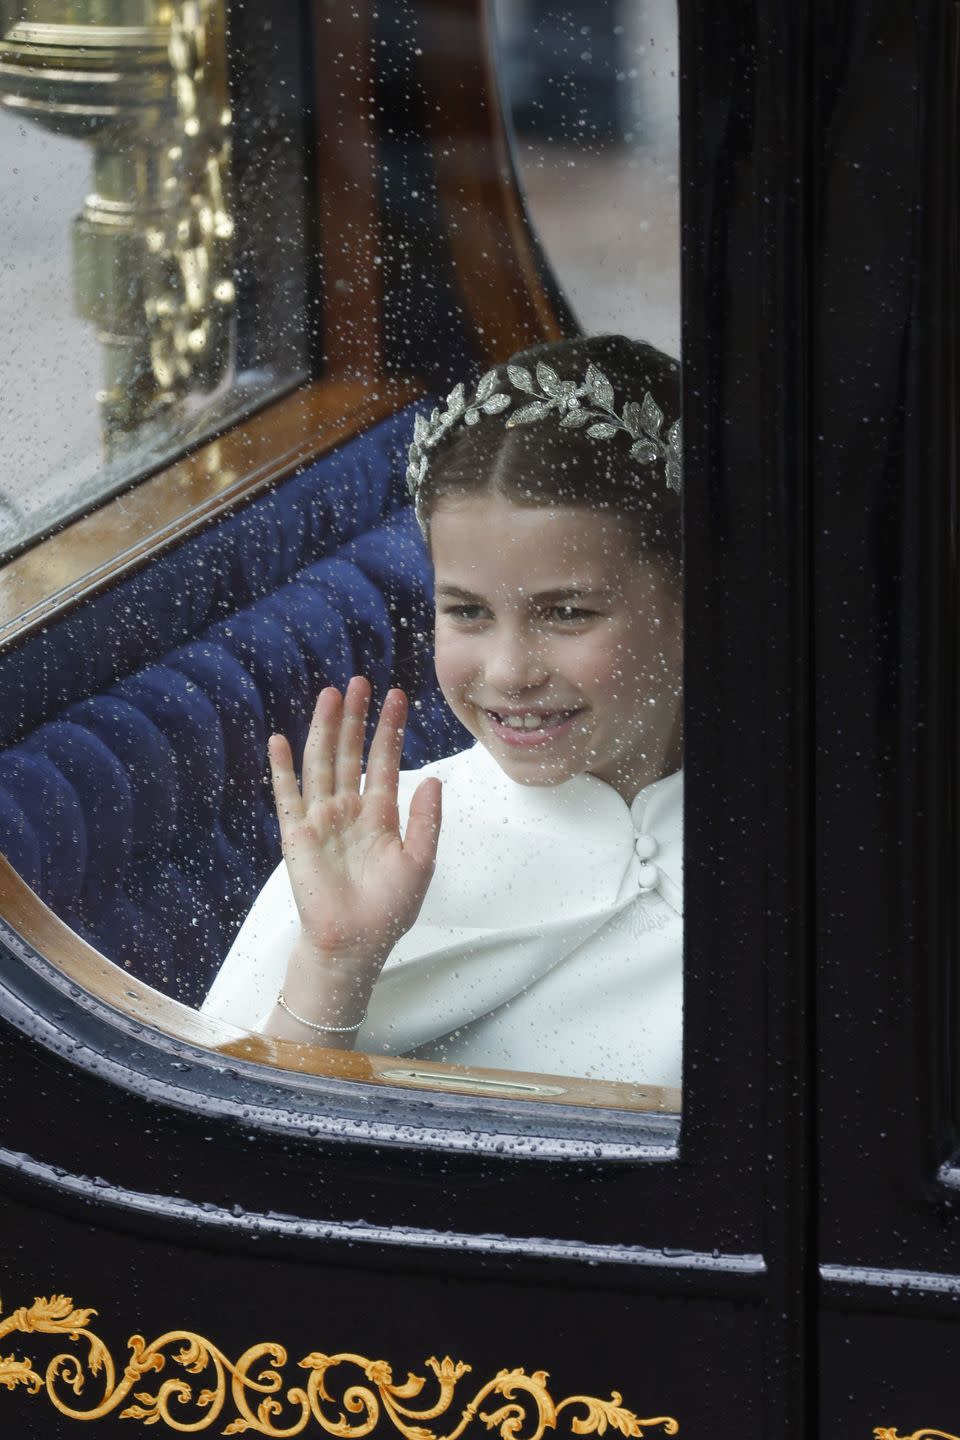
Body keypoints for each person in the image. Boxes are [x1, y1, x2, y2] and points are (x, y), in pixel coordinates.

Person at [202, 334, 683, 1087]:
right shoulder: (369, 844)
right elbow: (224, 1160)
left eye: (565, 613)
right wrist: (336, 961)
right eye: (467, 612)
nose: (508, 672)